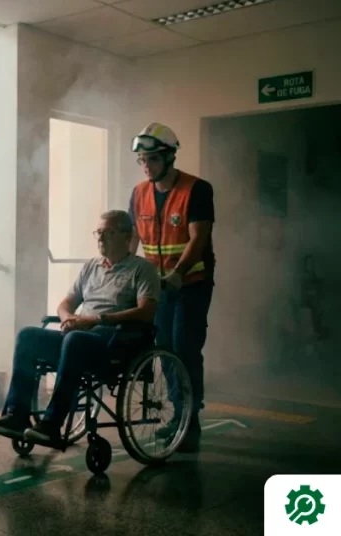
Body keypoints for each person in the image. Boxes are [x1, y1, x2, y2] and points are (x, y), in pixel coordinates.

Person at [0, 210, 161, 444]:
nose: (101, 238)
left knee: (75, 340)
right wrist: (67, 317)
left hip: (115, 341)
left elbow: (146, 311)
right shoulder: (91, 267)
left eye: (108, 233)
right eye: (99, 232)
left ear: (127, 237)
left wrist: (97, 320)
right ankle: (17, 415)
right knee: (28, 336)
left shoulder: (142, 269)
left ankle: (52, 424)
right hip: (79, 337)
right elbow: (66, 303)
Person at [128, 122, 215, 453]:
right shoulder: (138, 194)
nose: (145, 165)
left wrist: (178, 273)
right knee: (163, 348)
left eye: (150, 158)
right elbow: (134, 240)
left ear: (168, 156)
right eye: (141, 160)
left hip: (191, 283)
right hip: (158, 286)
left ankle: (189, 424)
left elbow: (199, 237)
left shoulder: (197, 189)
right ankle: (178, 416)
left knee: (185, 348)